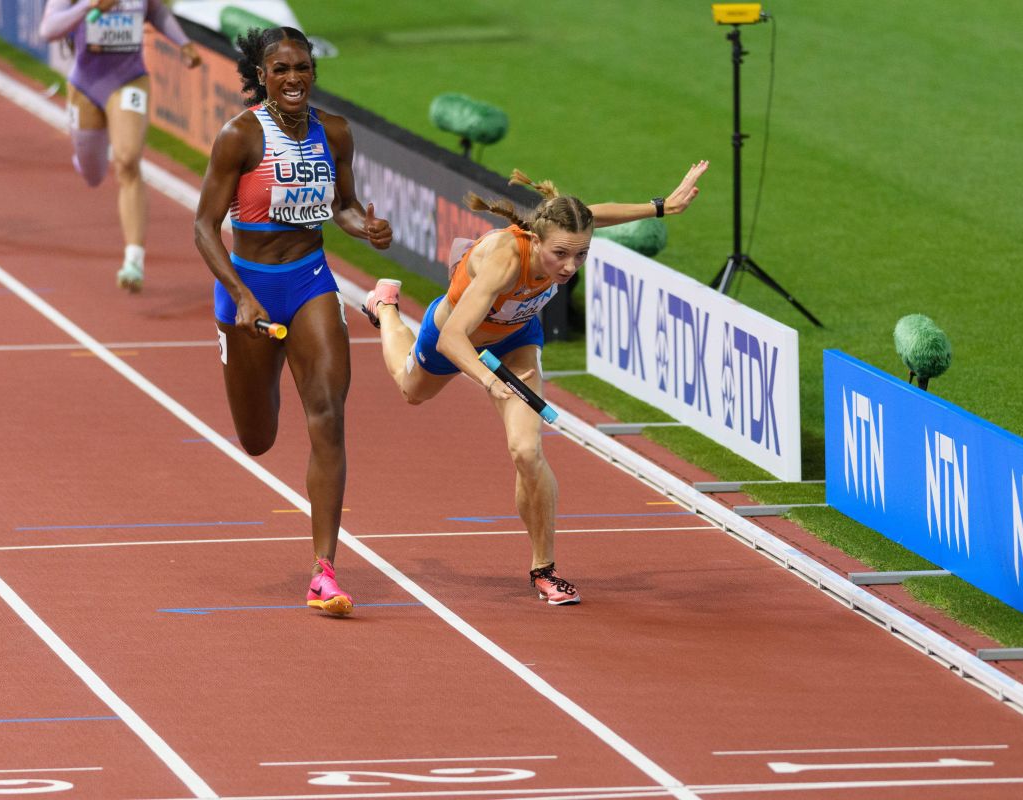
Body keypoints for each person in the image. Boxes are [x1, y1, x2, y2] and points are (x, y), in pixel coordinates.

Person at [365, 161, 708, 605]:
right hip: (456, 334)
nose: (569, 266)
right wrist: (489, 382)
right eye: (560, 255)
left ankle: (544, 569)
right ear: (535, 240)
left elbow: (593, 214)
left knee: (527, 450)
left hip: (519, 339)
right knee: (411, 390)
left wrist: (661, 206)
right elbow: (453, 338)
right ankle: (386, 306)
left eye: (580, 254)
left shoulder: (565, 231)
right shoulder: (508, 260)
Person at [193, 26, 393, 616]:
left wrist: (366, 228)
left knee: (328, 413)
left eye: (301, 67)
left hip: (310, 281)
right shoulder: (239, 137)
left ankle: (323, 570)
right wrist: (242, 297)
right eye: (279, 69)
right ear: (260, 76)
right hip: (247, 291)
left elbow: (344, 205)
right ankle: (256, 363)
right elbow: (204, 227)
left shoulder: (335, 132)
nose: (293, 78)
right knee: (258, 440)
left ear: (313, 70)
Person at [40, 0, 201, 292]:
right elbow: (48, 29)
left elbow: (156, 11)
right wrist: (91, 6)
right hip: (85, 85)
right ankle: (86, 157)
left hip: (130, 80)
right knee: (93, 174)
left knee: (127, 160)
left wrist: (183, 43)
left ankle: (134, 260)